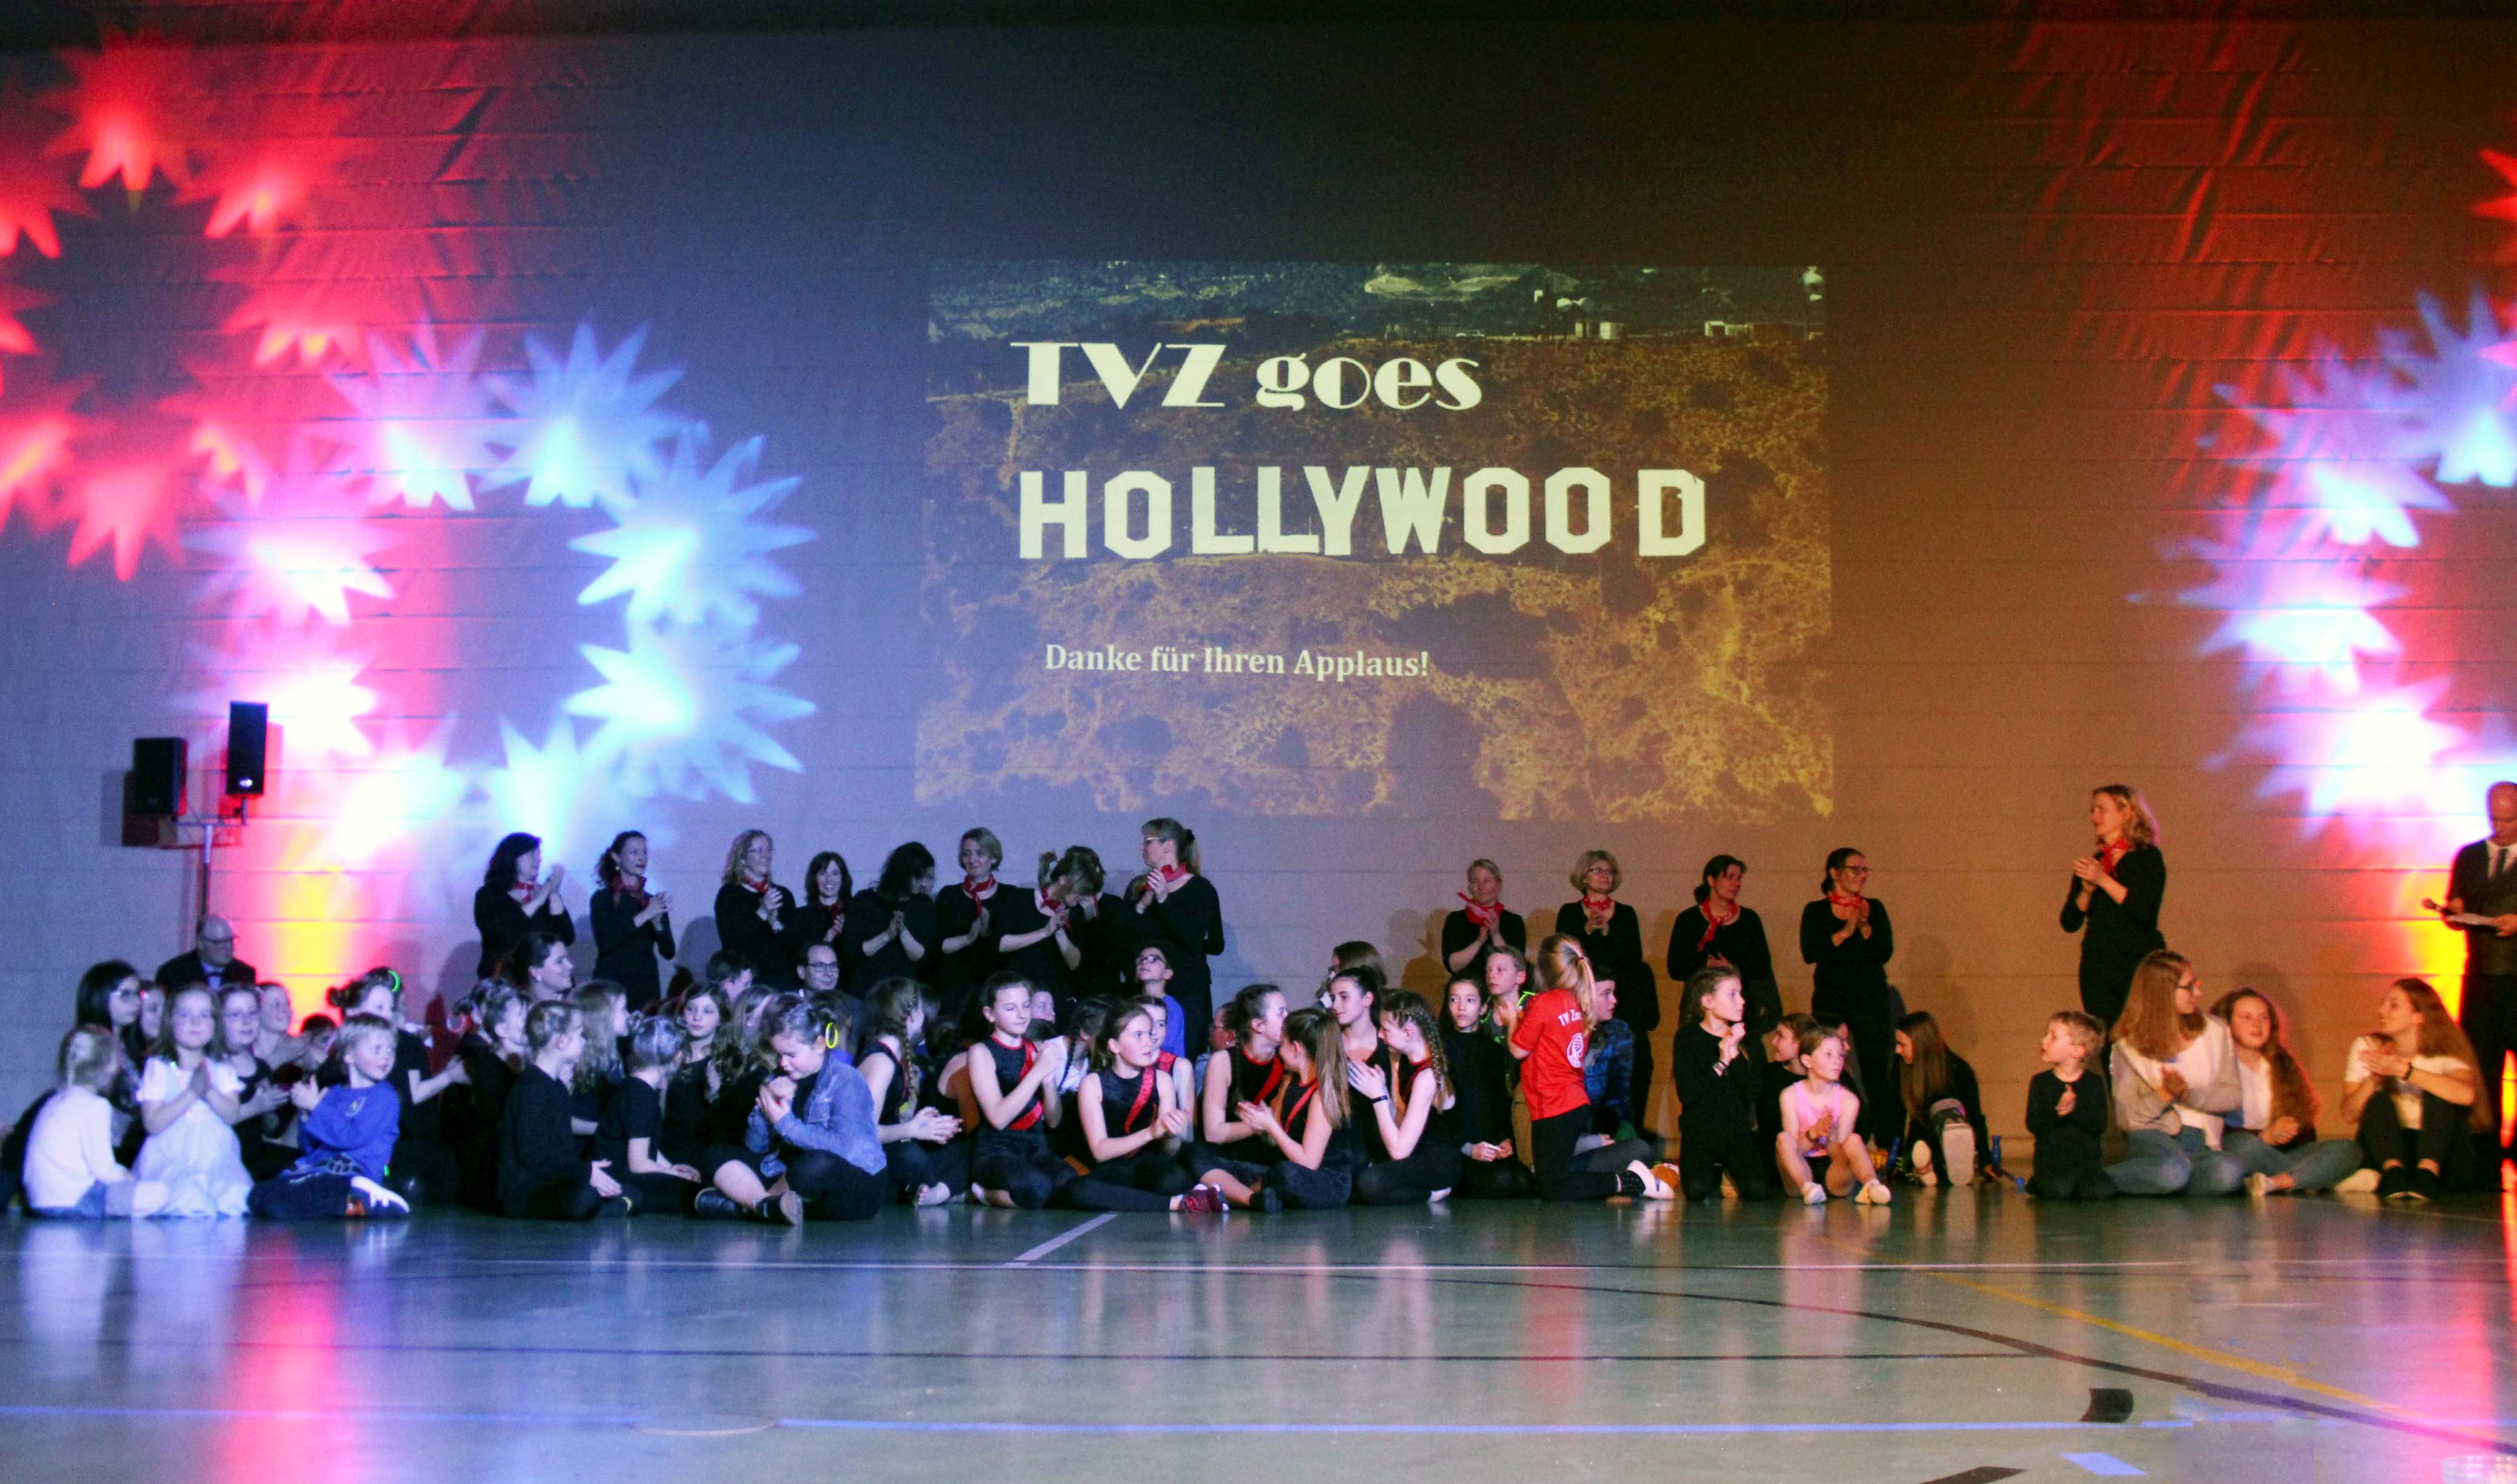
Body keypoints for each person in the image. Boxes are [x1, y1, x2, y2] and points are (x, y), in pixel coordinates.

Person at [1492, 936, 1672, 1202]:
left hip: (1554, 1105)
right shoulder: (1578, 1004)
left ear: (1542, 970)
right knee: (1553, 1178)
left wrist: (1511, 1022)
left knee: (1552, 1187)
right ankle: (1628, 1178)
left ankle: (1630, 1181)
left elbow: (1519, 1050)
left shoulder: (1543, 1003)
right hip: (1571, 1102)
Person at [2104, 950, 2244, 1198]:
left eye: (2196, 984)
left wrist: (2188, 1095)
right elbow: (2127, 1118)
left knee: (2229, 1171)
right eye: (2189, 987)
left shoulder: (2215, 1032)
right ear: (2163, 993)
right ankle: (2101, 1179)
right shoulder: (2129, 1046)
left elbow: (2233, 1096)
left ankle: (2164, 1185)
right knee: (2172, 1170)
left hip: (2201, 1141)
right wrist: (2163, 1096)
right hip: (2155, 1138)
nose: (2198, 993)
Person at [245, 1015, 412, 1219]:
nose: (386, 1056)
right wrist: (306, 1113)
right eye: (377, 1049)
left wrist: (316, 1107)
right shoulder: (333, 1094)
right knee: (258, 1196)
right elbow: (310, 1147)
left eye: (390, 1050)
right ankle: (360, 1205)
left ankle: (370, 1203)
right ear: (349, 1055)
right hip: (318, 1172)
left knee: (287, 1206)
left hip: (351, 1175)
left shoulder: (384, 1096)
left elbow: (352, 1137)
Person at [742, 996, 892, 1221]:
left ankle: (755, 1207)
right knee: (720, 1154)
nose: (783, 1063)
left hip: (854, 1181)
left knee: (814, 1165)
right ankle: (768, 1205)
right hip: (789, 1176)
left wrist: (785, 1123)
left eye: (791, 1055)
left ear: (819, 1045)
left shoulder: (845, 1079)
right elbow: (756, 1147)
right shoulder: (780, 1076)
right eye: (778, 1055)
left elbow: (844, 1148)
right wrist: (765, 1108)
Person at [1068, 1000, 1227, 1212]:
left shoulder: (1162, 1080)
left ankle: (1161, 1199)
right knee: (1079, 1191)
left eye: (1150, 1035)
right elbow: (1100, 1151)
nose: (1149, 1043)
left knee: (1172, 1180)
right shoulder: (1093, 1083)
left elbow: (1168, 1152)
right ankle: (1178, 1204)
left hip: (1151, 1166)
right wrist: (1151, 1132)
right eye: (1138, 1036)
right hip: (1112, 1168)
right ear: (1114, 1046)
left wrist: (1172, 1134)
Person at [328, 969, 466, 1204]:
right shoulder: (338, 1059)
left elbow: (405, 1103)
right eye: (379, 1007)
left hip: (399, 1146)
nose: (387, 1015)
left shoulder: (404, 1045)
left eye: (390, 1008)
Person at [2436, 780, 2517, 1181]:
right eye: (2495, 819)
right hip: (2481, 980)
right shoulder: (2469, 857)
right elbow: (2457, 904)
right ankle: (2483, 1158)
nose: (2500, 827)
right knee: (2480, 1069)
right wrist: (2453, 913)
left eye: (2509, 820)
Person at [2342, 977, 2485, 1202]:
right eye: (2383, 1003)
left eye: (2394, 1005)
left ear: (2419, 1016)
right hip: (2392, 1145)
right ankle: (2392, 1171)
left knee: (2439, 1095)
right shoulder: (2369, 1046)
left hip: (2438, 1149)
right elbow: (2349, 1114)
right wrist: (2374, 1079)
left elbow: (2466, 1095)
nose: (2382, 1010)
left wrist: (2404, 1071)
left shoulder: (2445, 1052)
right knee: (2377, 1099)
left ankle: (2428, 1172)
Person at [2210, 988, 2363, 1196]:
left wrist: (2290, 1131)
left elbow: (2306, 1128)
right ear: (2227, 1024)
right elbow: (2213, 1130)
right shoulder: (2218, 1067)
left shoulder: (2283, 1064)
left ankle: (2276, 1182)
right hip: (2243, 1150)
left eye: (2263, 1018)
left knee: (2348, 1149)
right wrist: (2265, 1136)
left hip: (2283, 1153)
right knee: (2241, 1145)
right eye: (2247, 1017)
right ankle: (2315, 1178)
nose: (2257, 1024)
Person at [1555, 849, 1658, 1136]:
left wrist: (1608, 929)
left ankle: (1624, 1134)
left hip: (1621, 1003)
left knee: (1624, 1075)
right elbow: (1563, 958)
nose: (1604, 876)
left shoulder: (1626, 913)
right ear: (1584, 876)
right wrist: (1587, 930)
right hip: (1583, 1004)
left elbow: (1634, 958)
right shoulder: (1569, 913)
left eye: (1609, 872)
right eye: (1598, 871)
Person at [132, 984, 257, 1216]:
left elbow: (232, 1115)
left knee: (235, 1197)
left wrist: (208, 1091)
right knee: (185, 1196)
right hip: (172, 1156)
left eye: (205, 1015)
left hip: (216, 1157)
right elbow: (153, 1123)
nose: (195, 1022)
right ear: (170, 1021)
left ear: (215, 1023)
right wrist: (192, 1092)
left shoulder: (222, 1067)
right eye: (185, 1014)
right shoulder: (159, 1067)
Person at [1801, 848, 1897, 1144]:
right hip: (1832, 1001)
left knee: (1877, 1073)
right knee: (1829, 1069)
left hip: (1870, 1000)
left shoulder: (1874, 908)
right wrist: (1846, 930)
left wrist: (1865, 927)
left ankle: (1887, 1146)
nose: (1862, 876)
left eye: (1865, 870)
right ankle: (1831, 1141)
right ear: (1835, 873)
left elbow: (1884, 952)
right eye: (1855, 869)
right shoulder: (1816, 910)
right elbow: (1810, 952)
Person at [498, 1001, 625, 1220]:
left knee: (622, 1189)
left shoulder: (556, 1086)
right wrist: (583, 1172)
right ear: (562, 1041)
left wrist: (584, 1169)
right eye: (580, 1034)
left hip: (552, 1181)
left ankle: (610, 1203)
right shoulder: (532, 1087)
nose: (584, 1041)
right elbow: (533, 1155)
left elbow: (560, 1150)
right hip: (527, 1190)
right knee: (583, 1198)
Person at [24, 1027, 166, 1218]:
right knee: (160, 1193)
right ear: (110, 1066)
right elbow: (104, 1170)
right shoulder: (96, 1106)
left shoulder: (54, 1101)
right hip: (76, 1200)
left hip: (39, 1201)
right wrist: (129, 1178)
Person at [2060, 785, 2167, 1030]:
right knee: (2105, 1034)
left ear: (2126, 812)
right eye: (2092, 810)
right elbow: (2069, 922)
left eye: (2102, 809)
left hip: (2136, 964)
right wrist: (2087, 891)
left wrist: (2103, 880)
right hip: (2099, 965)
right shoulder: (2096, 862)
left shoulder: (2146, 857)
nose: (2094, 817)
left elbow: (2144, 910)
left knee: (2139, 1033)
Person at [965, 974, 1076, 1208]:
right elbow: (998, 1118)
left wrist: (1048, 1082)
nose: (1022, 1014)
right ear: (990, 1014)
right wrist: (1038, 1072)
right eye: (1011, 1008)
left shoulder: (1036, 1048)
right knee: (1036, 1189)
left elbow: (1054, 1121)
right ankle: (982, 1195)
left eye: (1026, 1006)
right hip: (998, 1149)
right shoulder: (981, 1052)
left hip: (1036, 1147)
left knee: (1069, 1183)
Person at [856, 977, 964, 1205]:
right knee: (912, 1158)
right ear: (913, 1014)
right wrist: (912, 1129)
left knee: (964, 1150)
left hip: (889, 1148)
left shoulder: (896, 1057)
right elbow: (864, 1133)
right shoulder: (881, 1062)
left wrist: (921, 1123)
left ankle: (939, 1191)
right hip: (871, 1161)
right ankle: (944, 1192)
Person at [1352, 991, 1463, 1205]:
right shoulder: (1405, 1062)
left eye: (1386, 1029)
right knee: (1360, 1179)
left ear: (1408, 1033)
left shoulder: (1428, 1077)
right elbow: (1403, 1125)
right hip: (1417, 1154)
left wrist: (1378, 1099)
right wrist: (1384, 1092)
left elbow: (1399, 1151)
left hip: (1439, 1163)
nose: (1380, 1035)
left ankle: (1430, 1194)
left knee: (1370, 1183)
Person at [1671, 966, 1772, 1202]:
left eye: (1741, 994)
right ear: (1708, 1001)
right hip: (1700, 1130)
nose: (1742, 1001)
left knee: (1757, 1189)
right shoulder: (1687, 1038)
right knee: (1696, 1189)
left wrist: (1735, 1054)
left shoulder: (1747, 1038)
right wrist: (1722, 1062)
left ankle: (1727, 1173)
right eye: (1732, 995)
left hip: (1736, 1131)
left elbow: (1754, 1092)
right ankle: (1713, 1171)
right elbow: (1688, 1094)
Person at [1126, 818, 1224, 1049]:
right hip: (1145, 989)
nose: (1143, 847)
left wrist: (1164, 899)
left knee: (1184, 1054)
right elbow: (1126, 937)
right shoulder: (1139, 887)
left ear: (1169, 845)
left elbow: (1199, 939)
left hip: (1186, 989)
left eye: (1148, 841)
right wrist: (1141, 906)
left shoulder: (1200, 889)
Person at [1438, 975, 1537, 1199]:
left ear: (1483, 1008)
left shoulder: (1492, 1050)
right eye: (1454, 1000)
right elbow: (1440, 1114)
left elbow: (1499, 1100)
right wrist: (1468, 1148)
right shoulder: (1441, 1048)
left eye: (1470, 1000)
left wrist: (1506, 1139)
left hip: (1489, 1145)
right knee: (1501, 1181)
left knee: (1525, 1182)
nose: (1461, 1007)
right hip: (1459, 1147)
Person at [1777, 1023, 1891, 1207]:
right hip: (1800, 1171)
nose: (1837, 1061)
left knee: (1854, 1140)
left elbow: (1840, 1153)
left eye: (1840, 1055)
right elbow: (1792, 1151)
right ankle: (1808, 1187)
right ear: (1807, 1061)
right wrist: (1813, 1133)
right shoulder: (1790, 1095)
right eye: (1829, 1054)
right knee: (1783, 1139)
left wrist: (1831, 1134)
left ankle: (1872, 1185)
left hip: (1833, 1174)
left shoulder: (1849, 1100)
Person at [1668, 856, 1781, 1037]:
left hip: (1741, 1009)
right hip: (1698, 1010)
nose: (1737, 884)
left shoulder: (1749, 919)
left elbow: (1762, 965)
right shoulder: (1688, 919)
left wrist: (1733, 968)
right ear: (1711, 880)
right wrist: (1706, 964)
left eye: (1739, 878)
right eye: (1730, 877)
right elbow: (1675, 968)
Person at [1892, 1011, 1987, 1188]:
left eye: (1902, 1045)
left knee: (1946, 1111)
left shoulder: (1958, 1070)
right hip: (1920, 1142)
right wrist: (1892, 1155)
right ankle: (1923, 1169)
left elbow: (1975, 1117)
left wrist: (1986, 1159)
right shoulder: (1901, 1068)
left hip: (1952, 1138)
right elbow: (1896, 1115)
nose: (1898, 1051)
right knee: (1917, 1152)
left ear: (1921, 1043)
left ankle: (1942, 1165)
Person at [2024, 1011, 2112, 1200]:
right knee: (2059, 1189)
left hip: (2085, 1165)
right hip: (2052, 1163)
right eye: (2046, 1035)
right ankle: (2039, 1182)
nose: (2044, 1041)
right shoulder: (2041, 1082)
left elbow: (2099, 1124)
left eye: (2053, 1037)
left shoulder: (2093, 1083)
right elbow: (2034, 1124)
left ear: (2077, 1051)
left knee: (2100, 1191)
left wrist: (2075, 1108)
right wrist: (2058, 1111)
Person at [589, 831, 675, 1009]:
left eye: (644, 852)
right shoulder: (603, 898)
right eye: (634, 852)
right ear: (617, 857)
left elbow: (668, 952)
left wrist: (657, 924)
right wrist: (645, 915)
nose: (641, 858)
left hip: (645, 986)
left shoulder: (651, 901)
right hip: (612, 985)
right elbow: (606, 942)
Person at [475, 832, 574, 979]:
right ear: (512, 857)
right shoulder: (490, 895)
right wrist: (539, 900)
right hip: (503, 976)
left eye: (539, 853)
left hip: (541, 978)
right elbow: (502, 934)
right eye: (531, 853)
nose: (538, 859)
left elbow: (566, 936)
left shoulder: (543, 893)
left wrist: (553, 894)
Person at [845, 843, 939, 991]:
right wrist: (887, 935)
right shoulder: (865, 900)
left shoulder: (924, 904)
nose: (924, 884)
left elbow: (921, 957)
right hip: (868, 988)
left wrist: (903, 932)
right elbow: (854, 953)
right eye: (918, 877)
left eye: (928, 878)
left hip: (905, 990)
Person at [935, 828, 1006, 1014]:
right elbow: (937, 945)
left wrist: (988, 931)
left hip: (993, 988)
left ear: (994, 858)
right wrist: (970, 937)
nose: (972, 859)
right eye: (967, 854)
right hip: (954, 988)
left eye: (980, 853)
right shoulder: (948, 895)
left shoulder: (1009, 896)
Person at [714, 830, 795, 989]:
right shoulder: (729, 895)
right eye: (759, 851)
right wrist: (762, 912)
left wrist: (775, 924)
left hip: (781, 980)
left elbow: (792, 945)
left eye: (769, 850)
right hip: (746, 982)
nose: (766, 856)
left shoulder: (783, 894)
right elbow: (733, 943)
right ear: (743, 859)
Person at [1442, 858, 1526, 976]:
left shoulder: (1514, 922)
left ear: (1498, 885)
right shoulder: (1455, 920)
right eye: (1475, 881)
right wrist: (1479, 942)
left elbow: (1516, 966)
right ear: (1470, 887)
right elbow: (1452, 966)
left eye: (1487, 881)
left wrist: (1495, 934)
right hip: (1465, 986)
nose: (1481, 887)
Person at [156, 915, 257, 997]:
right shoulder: (173, 974)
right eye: (218, 942)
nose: (227, 947)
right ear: (200, 943)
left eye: (230, 940)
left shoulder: (244, 974)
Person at [505, 931, 576, 1002]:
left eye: (567, 959)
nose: (570, 966)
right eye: (559, 962)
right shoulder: (515, 1007)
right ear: (535, 972)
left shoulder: (579, 1001)